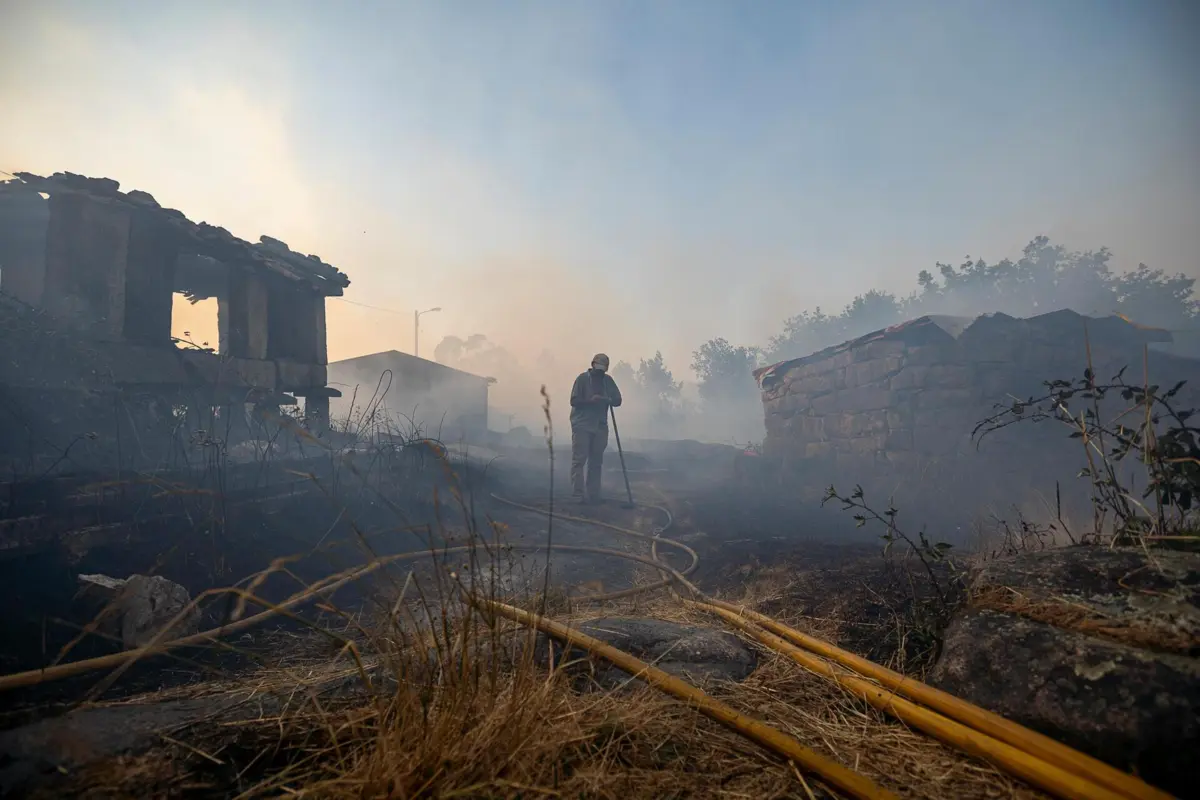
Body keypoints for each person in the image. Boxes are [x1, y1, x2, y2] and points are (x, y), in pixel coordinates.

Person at [569, 353, 623, 503]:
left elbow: (618, 400)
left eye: (602, 370)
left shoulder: (608, 381)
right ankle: (577, 494)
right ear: (592, 365)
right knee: (579, 460)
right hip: (582, 424)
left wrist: (607, 399)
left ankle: (593, 494)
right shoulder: (582, 379)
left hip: (600, 425)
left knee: (596, 461)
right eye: (597, 369)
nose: (599, 373)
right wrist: (590, 401)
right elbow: (574, 401)